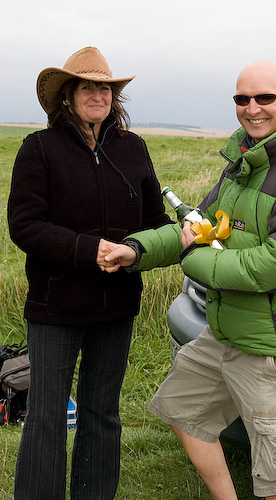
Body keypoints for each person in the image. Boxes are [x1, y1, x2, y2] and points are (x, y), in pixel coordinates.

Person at [102, 60, 276, 499]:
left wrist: (192, 259)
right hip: (228, 333)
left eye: (265, 98)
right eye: (242, 99)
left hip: (272, 349)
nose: (252, 108)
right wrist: (135, 249)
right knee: (183, 413)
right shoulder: (245, 161)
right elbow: (195, 227)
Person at [7, 46, 172, 500]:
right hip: (55, 305)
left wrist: (136, 252)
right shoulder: (40, 148)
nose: (98, 94)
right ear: (68, 96)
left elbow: (156, 223)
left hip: (117, 305)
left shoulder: (133, 149)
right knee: (46, 415)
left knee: (102, 412)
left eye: (105, 87)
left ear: (113, 97)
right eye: (87, 86)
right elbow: (25, 225)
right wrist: (87, 250)